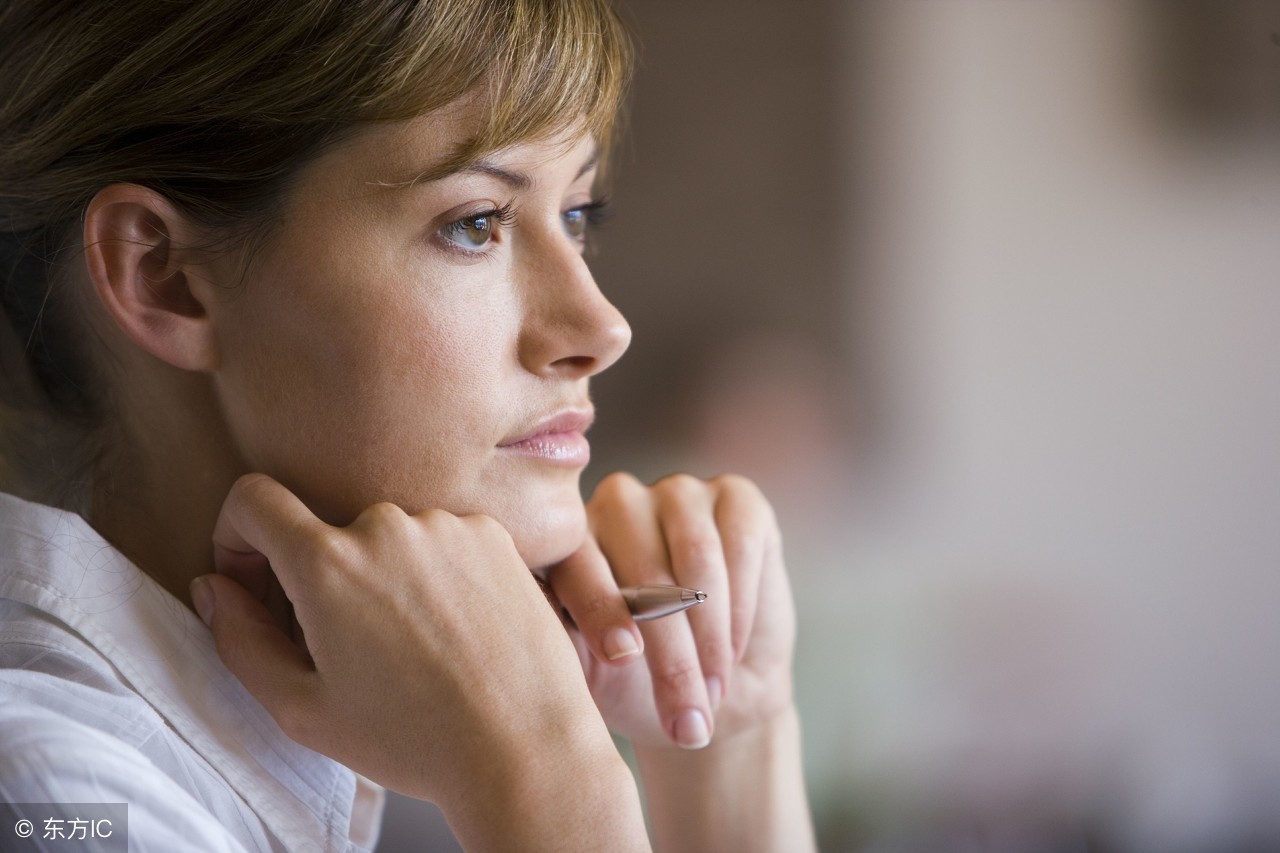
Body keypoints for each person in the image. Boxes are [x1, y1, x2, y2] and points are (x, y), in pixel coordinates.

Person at [0, 1, 815, 850]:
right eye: (476, 224)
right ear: (164, 277)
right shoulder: (54, 796)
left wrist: (725, 744)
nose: (602, 328)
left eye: (577, 217)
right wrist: (546, 777)